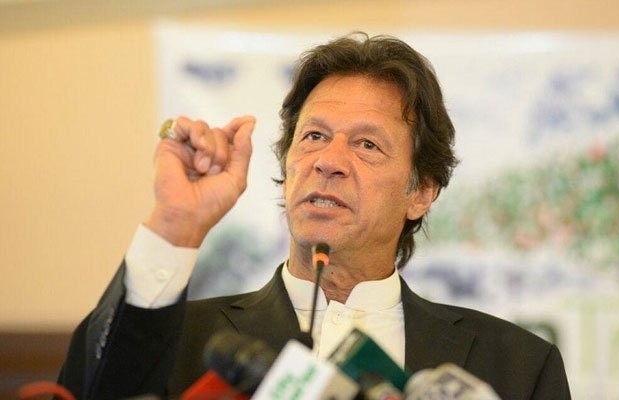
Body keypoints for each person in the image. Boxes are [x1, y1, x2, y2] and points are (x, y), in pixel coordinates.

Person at [57, 32, 571, 399]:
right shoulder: (193, 342)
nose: (329, 161)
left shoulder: (517, 366)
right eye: (314, 136)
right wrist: (176, 225)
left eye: (367, 144)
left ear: (421, 192)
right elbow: (93, 390)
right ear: (287, 166)